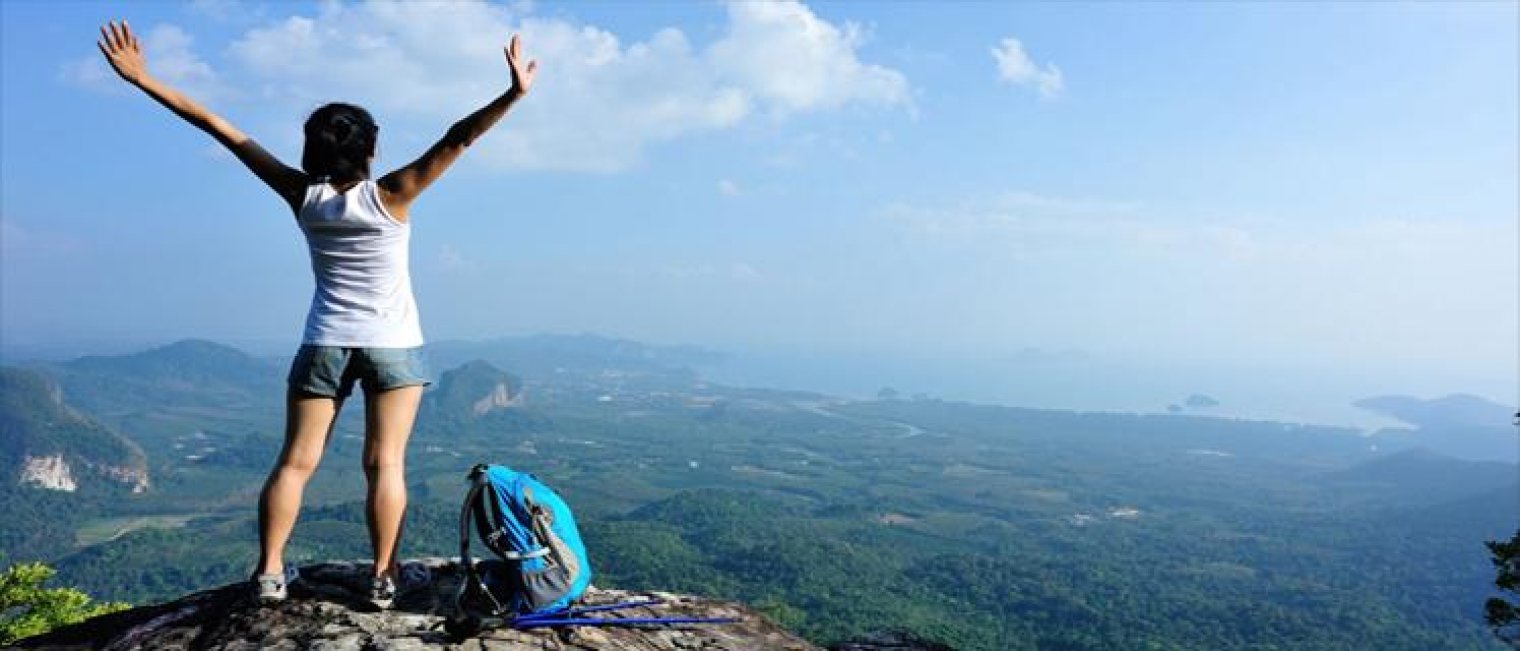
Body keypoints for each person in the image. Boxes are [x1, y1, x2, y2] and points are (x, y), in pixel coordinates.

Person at [97, 20, 537, 609]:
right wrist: (512, 94)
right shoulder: (395, 192)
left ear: (314, 150)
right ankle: (383, 578)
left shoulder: (300, 194)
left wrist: (142, 78)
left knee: (295, 462)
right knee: (385, 463)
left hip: (325, 341)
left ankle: (269, 574)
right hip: (394, 344)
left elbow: (219, 127)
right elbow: (458, 139)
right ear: (371, 149)